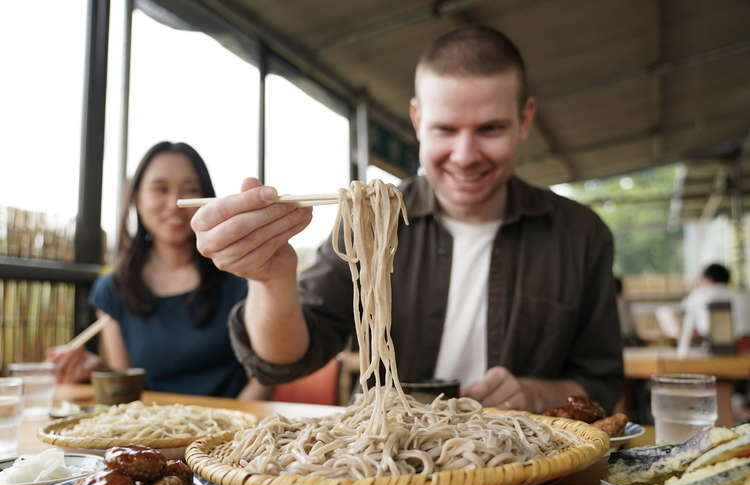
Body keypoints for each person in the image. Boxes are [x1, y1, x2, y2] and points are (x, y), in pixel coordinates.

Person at [190, 26, 624, 413]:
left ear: (524, 119)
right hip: (387, 468)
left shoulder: (579, 235)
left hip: (528, 469)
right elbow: (285, 360)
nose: (466, 155)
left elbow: (601, 382)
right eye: (446, 130)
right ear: (418, 120)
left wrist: (537, 395)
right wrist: (271, 280)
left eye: (490, 129)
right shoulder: (370, 219)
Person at [46, 141, 262, 399]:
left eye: (191, 190)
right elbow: (129, 387)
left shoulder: (240, 275)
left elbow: (264, 377)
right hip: (153, 432)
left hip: (236, 426)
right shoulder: (113, 289)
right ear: (136, 197)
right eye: (160, 189)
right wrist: (98, 370)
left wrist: (236, 430)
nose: (174, 204)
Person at [677, 263, 750, 354]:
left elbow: (684, 309)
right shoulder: (743, 295)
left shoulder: (699, 295)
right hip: (745, 347)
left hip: (711, 348)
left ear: (708, 279)